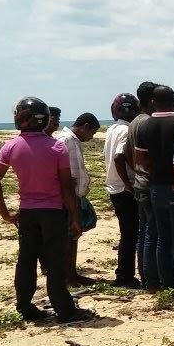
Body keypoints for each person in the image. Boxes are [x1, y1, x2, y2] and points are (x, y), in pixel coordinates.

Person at [0, 97, 95, 323]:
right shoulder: (56, 146)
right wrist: (75, 217)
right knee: (56, 262)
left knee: (26, 260)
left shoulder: (10, 146)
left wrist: (5, 214)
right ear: (45, 119)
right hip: (53, 212)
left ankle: (25, 306)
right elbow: (67, 186)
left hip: (28, 212)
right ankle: (64, 310)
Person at [135, 85, 174, 294]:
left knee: (162, 236)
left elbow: (140, 159)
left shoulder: (145, 126)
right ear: (173, 101)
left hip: (156, 185)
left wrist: (156, 167)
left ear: (153, 102)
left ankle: (165, 283)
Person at [126, 81, 161, 293]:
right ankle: (151, 281)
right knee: (153, 232)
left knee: (144, 232)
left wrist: (137, 171)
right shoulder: (147, 122)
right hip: (149, 183)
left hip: (140, 182)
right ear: (151, 100)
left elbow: (126, 155)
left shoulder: (134, 122)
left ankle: (145, 276)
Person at [58, 112, 100, 286]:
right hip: (70, 196)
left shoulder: (73, 140)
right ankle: (67, 276)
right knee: (69, 235)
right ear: (85, 127)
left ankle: (72, 273)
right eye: (92, 133)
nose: (91, 137)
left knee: (74, 234)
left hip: (76, 194)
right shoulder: (66, 140)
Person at [104, 93, 141, 289]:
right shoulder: (127, 130)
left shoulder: (112, 129)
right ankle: (124, 275)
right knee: (130, 234)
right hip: (123, 188)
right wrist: (128, 183)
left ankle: (124, 273)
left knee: (127, 233)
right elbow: (119, 157)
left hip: (114, 186)